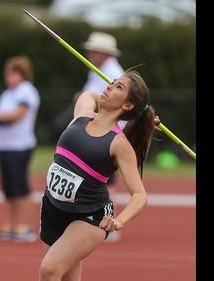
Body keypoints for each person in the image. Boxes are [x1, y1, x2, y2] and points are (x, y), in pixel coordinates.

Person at [39, 68, 160, 281]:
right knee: (67, 276)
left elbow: (140, 196)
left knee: (49, 270)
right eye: (112, 82)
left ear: (127, 104)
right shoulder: (83, 114)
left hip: (89, 215)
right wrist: (139, 116)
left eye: (118, 87)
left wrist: (119, 221)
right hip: (52, 205)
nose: (109, 86)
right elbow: (91, 96)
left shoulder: (120, 144)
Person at [0, 54, 41, 243]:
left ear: (22, 73)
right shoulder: (7, 93)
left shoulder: (26, 91)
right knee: (8, 188)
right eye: (7, 72)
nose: (8, 76)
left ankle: (26, 226)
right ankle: (12, 223)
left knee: (20, 187)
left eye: (12, 72)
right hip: (4, 146)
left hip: (19, 146)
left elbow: (17, 115)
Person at [80, 31, 126, 242]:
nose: (89, 52)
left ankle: (108, 222)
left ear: (103, 52)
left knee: (106, 180)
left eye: (93, 49)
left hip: (107, 134)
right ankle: (96, 220)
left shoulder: (113, 73)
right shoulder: (96, 71)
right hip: (94, 130)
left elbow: (113, 105)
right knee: (96, 178)